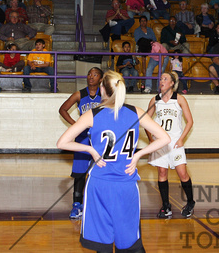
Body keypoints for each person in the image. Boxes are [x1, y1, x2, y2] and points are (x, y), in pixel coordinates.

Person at [56, 70, 170, 253]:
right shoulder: (136, 112)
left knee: (103, 245)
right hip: (126, 183)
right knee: (131, 243)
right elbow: (164, 138)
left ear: (103, 89)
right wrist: (138, 155)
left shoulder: (92, 115)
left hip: (100, 184)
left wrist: (91, 150)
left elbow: (62, 142)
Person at [146, 72, 195, 218]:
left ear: (172, 83)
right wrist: (151, 139)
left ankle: (191, 202)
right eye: (160, 78)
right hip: (161, 142)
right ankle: (166, 205)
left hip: (175, 142)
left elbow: (190, 121)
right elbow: (146, 122)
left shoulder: (179, 99)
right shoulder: (155, 100)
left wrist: (181, 139)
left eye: (165, 79)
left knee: (182, 173)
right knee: (162, 173)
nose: (162, 81)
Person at [58, 67, 104, 219]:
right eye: (89, 74)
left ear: (101, 79)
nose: (91, 77)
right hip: (83, 138)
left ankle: (97, 205)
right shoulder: (79, 94)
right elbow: (63, 109)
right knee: (79, 173)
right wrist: (75, 125)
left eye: (95, 74)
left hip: (100, 138)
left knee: (100, 171)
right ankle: (77, 205)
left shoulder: (105, 96)